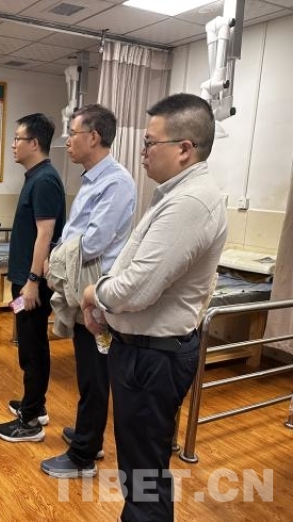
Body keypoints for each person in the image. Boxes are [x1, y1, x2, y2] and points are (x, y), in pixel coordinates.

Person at [81, 93, 227, 522]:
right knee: (140, 466)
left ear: (184, 149)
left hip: (154, 357)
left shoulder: (190, 203)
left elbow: (136, 288)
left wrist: (94, 294)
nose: (142, 152)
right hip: (142, 350)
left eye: (149, 143)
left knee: (144, 471)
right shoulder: (174, 194)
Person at [40, 104, 136, 477]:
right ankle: (88, 436)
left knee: (95, 374)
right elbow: (75, 233)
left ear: (93, 137)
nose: (68, 141)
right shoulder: (92, 179)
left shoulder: (117, 183)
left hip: (97, 290)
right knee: (87, 369)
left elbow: (93, 242)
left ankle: (83, 455)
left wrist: (55, 258)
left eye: (74, 133)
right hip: (82, 283)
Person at [0, 113, 66, 442]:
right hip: (24, 279)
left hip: (32, 282)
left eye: (18, 139)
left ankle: (32, 420)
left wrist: (33, 281)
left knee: (34, 347)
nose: (13, 145)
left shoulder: (46, 180)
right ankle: (33, 404)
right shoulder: (34, 177)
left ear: (34, 143)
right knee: (27, 344)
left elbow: (46, 234)